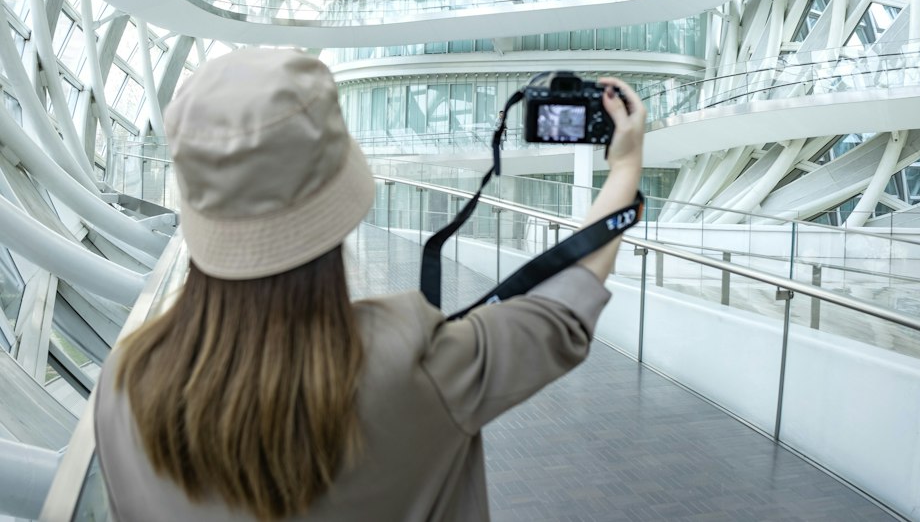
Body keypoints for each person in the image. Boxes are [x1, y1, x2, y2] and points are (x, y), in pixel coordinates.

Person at [93, 49, 646, 521]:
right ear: (337, 202)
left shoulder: (122, 386)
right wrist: (625, 167)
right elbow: (560, 318)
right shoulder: (413, 362)